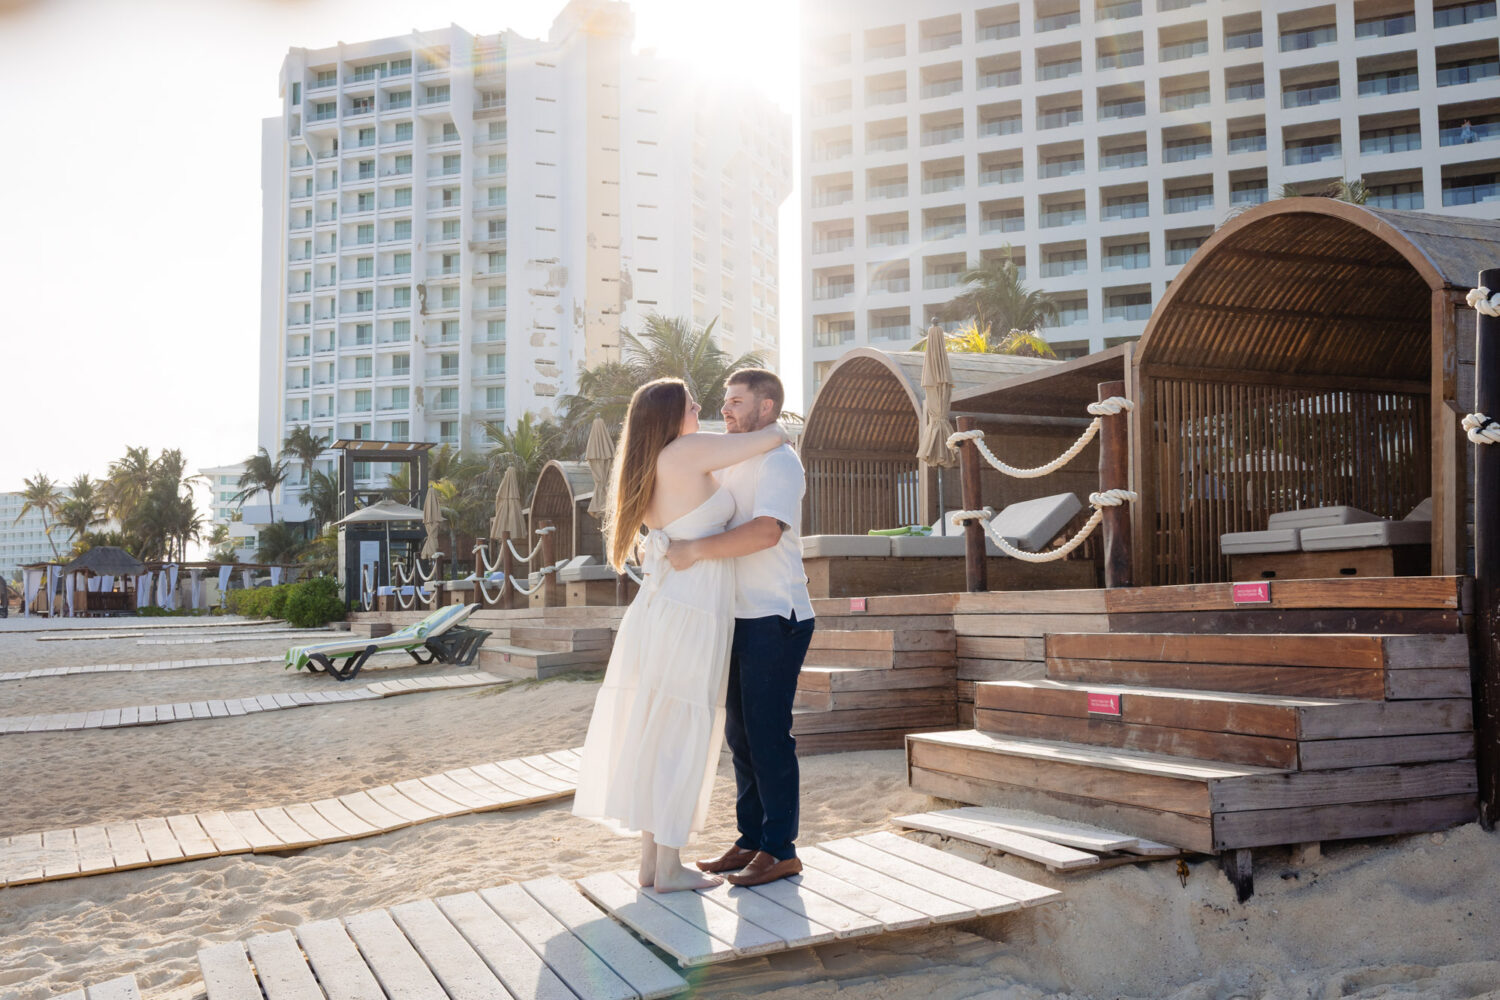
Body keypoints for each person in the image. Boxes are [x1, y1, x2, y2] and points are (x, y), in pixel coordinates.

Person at [572, 377, 789, 893]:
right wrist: (765, 414)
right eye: (694, 405)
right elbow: (774, 437)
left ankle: (653, 863)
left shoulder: (649, 463)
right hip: (690, 611)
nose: (704, 411)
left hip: (667, 609)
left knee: (660, 731)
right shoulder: (687, 452)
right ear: (672, 416)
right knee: (677, 734)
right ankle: (667, 866)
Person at [670, 368, 816, 888]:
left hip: (775, 614)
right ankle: (751, 838)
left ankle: (780, 850)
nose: (725, 409)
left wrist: (693, 550)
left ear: (766, 407)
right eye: (725, 401)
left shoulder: (780, 461)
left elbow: (765, 532)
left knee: (767, 734)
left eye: (736, 401)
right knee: (740, 734)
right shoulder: (734, 456)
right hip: (735, 615)